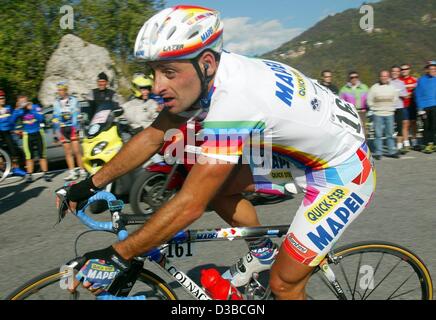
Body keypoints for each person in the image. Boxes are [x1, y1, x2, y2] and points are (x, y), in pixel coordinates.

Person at [59, 5, 375, 300]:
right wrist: (90, 184)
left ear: (207, 63)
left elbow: (190, 206)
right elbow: (154, 136)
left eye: (168, 72)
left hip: (340, 170)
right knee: (217, 190)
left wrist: (119, 254)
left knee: (284, 282)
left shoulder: (236, 98)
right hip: (296, 152)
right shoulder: (205, 77)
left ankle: (277, 271)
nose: (157, 86)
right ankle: (263, 252)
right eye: (154, 71)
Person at [11, 95, 51, 182]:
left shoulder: (35, 107)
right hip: (27, 135)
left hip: (38, 132)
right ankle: (29, 175)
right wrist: (16, 109)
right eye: (21, 102)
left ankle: (46, 173)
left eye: (24, 101)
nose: (23, 104)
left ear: (27, 100)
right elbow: (12, 121)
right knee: (29, 156)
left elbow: (41, 119)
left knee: (42, 154)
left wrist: (31, 109)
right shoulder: (19, 111)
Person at [52, 82, 86, 180]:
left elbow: (76, 114)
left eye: (62, 90)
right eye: (58, 90)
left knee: (77, 151)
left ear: (66, 90)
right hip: (62, 128)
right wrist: (56, 132)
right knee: (67, 152)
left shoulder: (73, 100)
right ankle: (72, 172)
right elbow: (55, 117)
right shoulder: (56, 102)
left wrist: (76, 128)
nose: (60, 92)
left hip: (72, 127)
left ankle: (82, 170)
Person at [367, 70, 400, 160]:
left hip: (389, 113)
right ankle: (378, 152)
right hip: (378, 113)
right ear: (380, 77)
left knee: (390, 133)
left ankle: (391, 151)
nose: (384, 78)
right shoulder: (374, 87)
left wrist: (392, 108)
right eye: (382, 76)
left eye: (386, 76)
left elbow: (395, 98)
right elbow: (369, 100)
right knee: (378, 134)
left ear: (388, 77)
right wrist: (373, 108)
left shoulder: (392, 88)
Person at [0, 90, 27, 176]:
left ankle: (16, 169)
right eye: (0, 98)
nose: (2, 100)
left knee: (13, 150)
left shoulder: (8, 108)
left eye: (3, 98)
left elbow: (12, 121)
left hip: (7, 132)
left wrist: (15, 130)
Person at [415, 61, 436, 154]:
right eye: (430, 69)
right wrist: (420, 108)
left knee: (434, 126)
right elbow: (417, 94)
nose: (432, 70)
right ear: (427, 70)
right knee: (426, 126)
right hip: (425, 107)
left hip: (435, 106)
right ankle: (427, 144)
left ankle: (433, 144)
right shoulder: (421, 80)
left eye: (434, 69)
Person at [339, 72, 369, 136]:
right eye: (352, 77)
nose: (354, 79)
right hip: (351, 112)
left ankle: (364, 144)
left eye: (356, 77)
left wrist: (367, 108)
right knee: (352, 129)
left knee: (363, 129)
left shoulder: (364, 87)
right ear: (349, 79)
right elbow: (341, 101)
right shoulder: (344, 89)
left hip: (362, 112)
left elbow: (369, 99)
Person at [390, 66, 409, 154]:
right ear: (391, 72)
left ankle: (399, 146)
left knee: (399, 127)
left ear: (399, 73)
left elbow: (406, 95)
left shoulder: (401, 83)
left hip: (399, 107)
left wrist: (399, 93)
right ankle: (391, 146)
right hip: (390, 108)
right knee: (389, 128)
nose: (395, 73)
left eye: (397, 71)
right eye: (393, 71)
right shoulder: (388, 82)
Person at [399, 64, 418, 150]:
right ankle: (406, 143)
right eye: (402, 69)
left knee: (413, 123)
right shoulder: (399, 81)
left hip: (413, 104)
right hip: (403, 105)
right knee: (405, 124)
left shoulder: (414, 80)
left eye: (406, 69)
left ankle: (414, 142)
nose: (404, 70)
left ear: (409, 70)